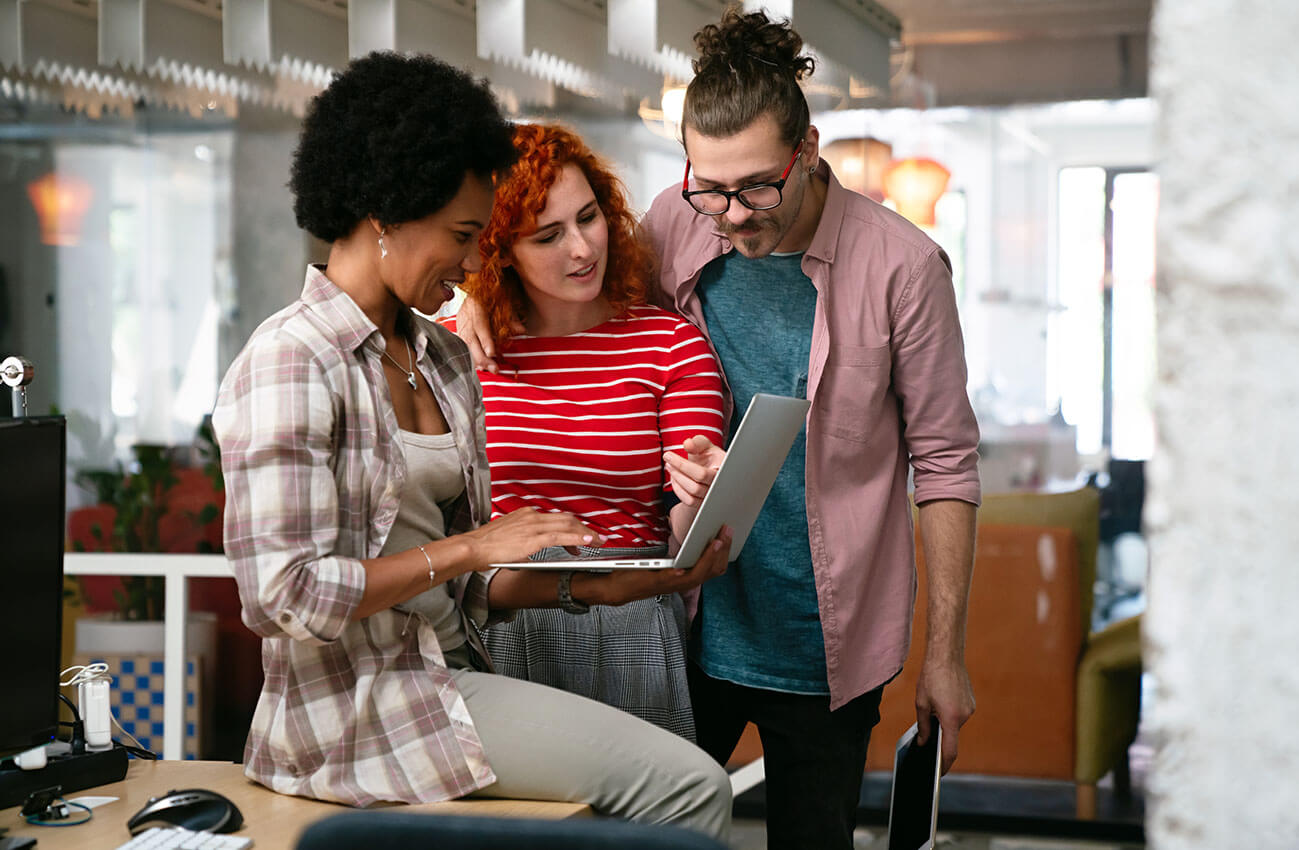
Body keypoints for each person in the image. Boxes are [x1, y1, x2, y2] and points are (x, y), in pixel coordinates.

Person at [456, 9, 981, 848]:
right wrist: (473, 295)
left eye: (755, 187)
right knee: (642, 832)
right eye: (708, 185)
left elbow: (947, 467)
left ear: (807, 152)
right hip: (686, 626)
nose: (729, 215)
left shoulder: (903, 269)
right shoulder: (676, 217)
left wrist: (945, 658)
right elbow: (570, 293)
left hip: (824, 644)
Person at [211, 52, 732, 840]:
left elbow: (460, 596)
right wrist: (469, 549)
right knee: (692, 790)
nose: (469, 263)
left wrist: (601, 588)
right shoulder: (292, 358)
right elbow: (283, 598)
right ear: (384, 214)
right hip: (360, 709)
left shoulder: (443, 356)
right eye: (462, 236)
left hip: (454, 675)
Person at [445, 123, 726, 740]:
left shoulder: (669, 345)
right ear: (499, 250)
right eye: (548, 235)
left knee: (637, 830)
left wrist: (705, 495)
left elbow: (684, 531)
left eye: (590, 217)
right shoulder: (457, 345)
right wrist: (464, 303)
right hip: (500, 613)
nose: (582, 248)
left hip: (628, 613)